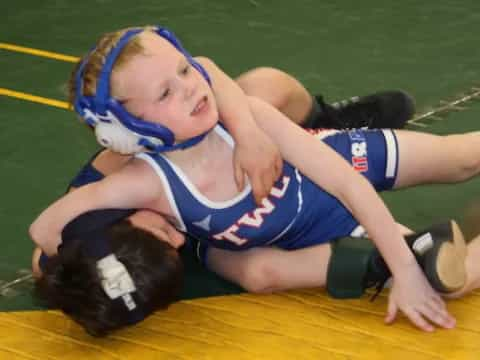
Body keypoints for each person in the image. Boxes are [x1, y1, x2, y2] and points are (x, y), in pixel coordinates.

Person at [29, 25, 480, 335]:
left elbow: (346, 184)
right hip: (331, 230)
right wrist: (105, 260)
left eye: (185, 70)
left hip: (341, 162)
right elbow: (45, 229)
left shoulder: (248, 117)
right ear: (124, 133)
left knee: (460, 158)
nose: (189, 86)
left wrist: (401, 267)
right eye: (166, 92)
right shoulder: (145, 184)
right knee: (448, 280)